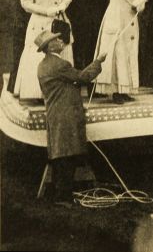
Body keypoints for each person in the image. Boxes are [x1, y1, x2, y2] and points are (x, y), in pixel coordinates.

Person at [35, 30, 107, 208]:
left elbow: (69, 81)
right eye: (56, 39)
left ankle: (61, 195)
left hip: (56, 114)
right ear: (50, 46)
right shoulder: (60, 64)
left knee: (61, 155)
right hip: (65, 115)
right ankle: (63, 198)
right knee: (67, 156)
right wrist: (98, 62)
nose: (60, 41)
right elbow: (83, 77)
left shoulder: (43, 65)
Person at [94, 0, 150, 104]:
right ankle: (116, 91)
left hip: (131, 18)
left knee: (129, 52)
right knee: (116, 53)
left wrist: (140, 4)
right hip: (116, 17)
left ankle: (126, 89)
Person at [62, 0, 110, 97]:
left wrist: (102, 16)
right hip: (75, 21)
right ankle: (75, 89)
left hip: (95, 21)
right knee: (76, 53)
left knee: (92, 52)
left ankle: (92, 88)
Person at [6, 0, 37, 94]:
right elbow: (18, 0)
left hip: (31, 16)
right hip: (23, 18)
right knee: (21, 52)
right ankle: (15, 87)